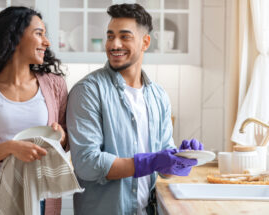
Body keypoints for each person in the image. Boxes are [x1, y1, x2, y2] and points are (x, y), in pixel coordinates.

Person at [66, 3, 203, 215]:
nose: (114, 44)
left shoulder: (158, 96)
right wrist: (151, 161)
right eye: (110, 36)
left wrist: (182, 158)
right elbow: (87, 163)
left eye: (125, 36)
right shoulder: (88, 92)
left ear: (145, 42)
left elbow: (164, 169)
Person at [0, 7, 68, 215]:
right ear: (15, 36)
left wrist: (61, 137)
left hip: (41, 192)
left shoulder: (55, 86)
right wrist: (10, 148)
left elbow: (66, 139)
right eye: (39, 34)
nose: (47, 42)